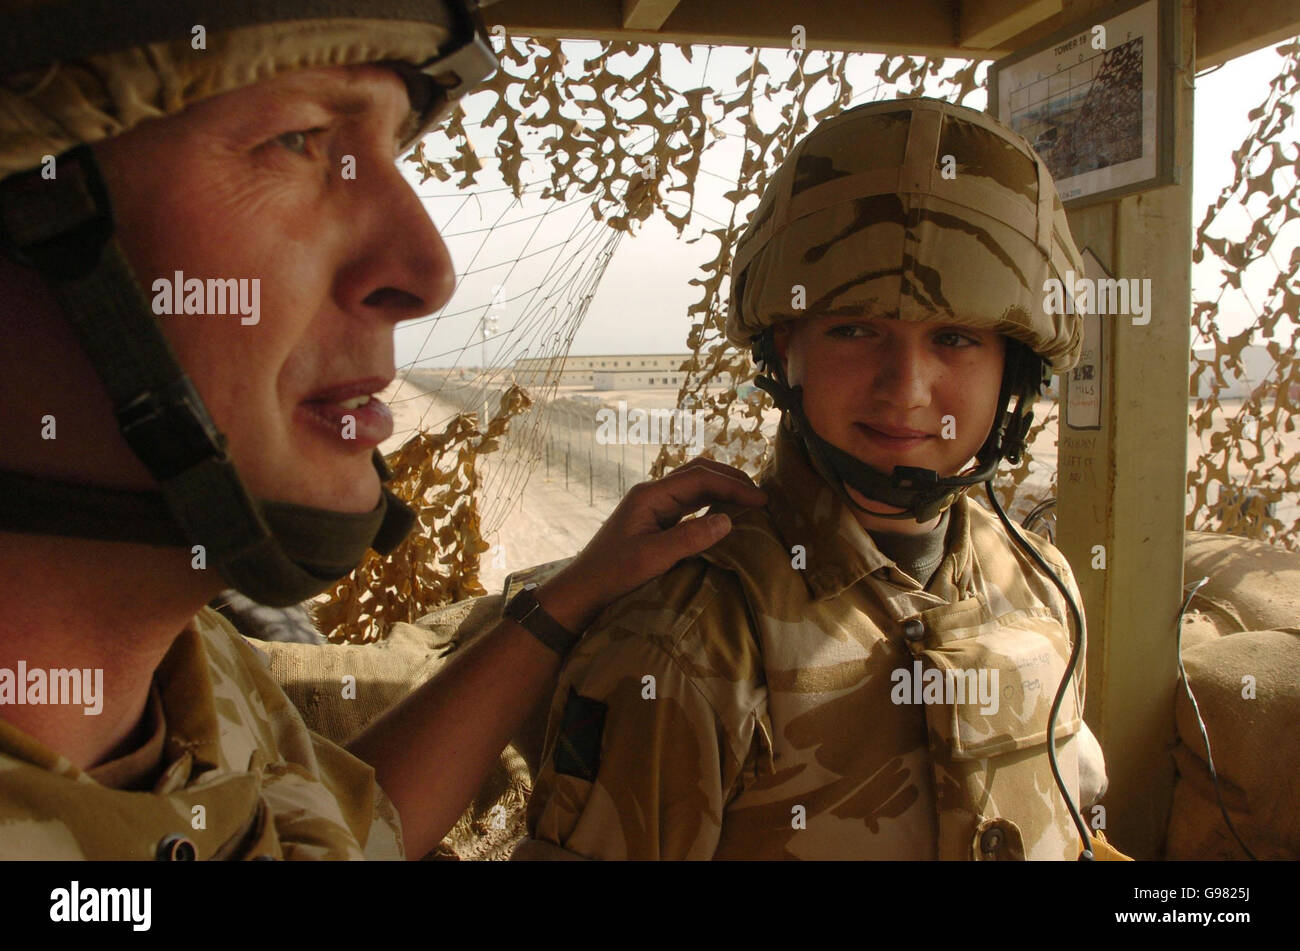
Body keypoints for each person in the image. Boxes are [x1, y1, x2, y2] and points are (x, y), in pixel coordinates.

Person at [0, 0, 766, 860]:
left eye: (392, 153)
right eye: (297, 139)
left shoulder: (188, 671)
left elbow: (352, 831)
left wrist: (571, 599)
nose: (431, 271)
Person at [521, 97, 1117, 861]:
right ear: (785, 349)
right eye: (856, 329)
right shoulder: (693, 638)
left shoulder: (1039, 585)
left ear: (1016, 371)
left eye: (956, 338)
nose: (905, 389)